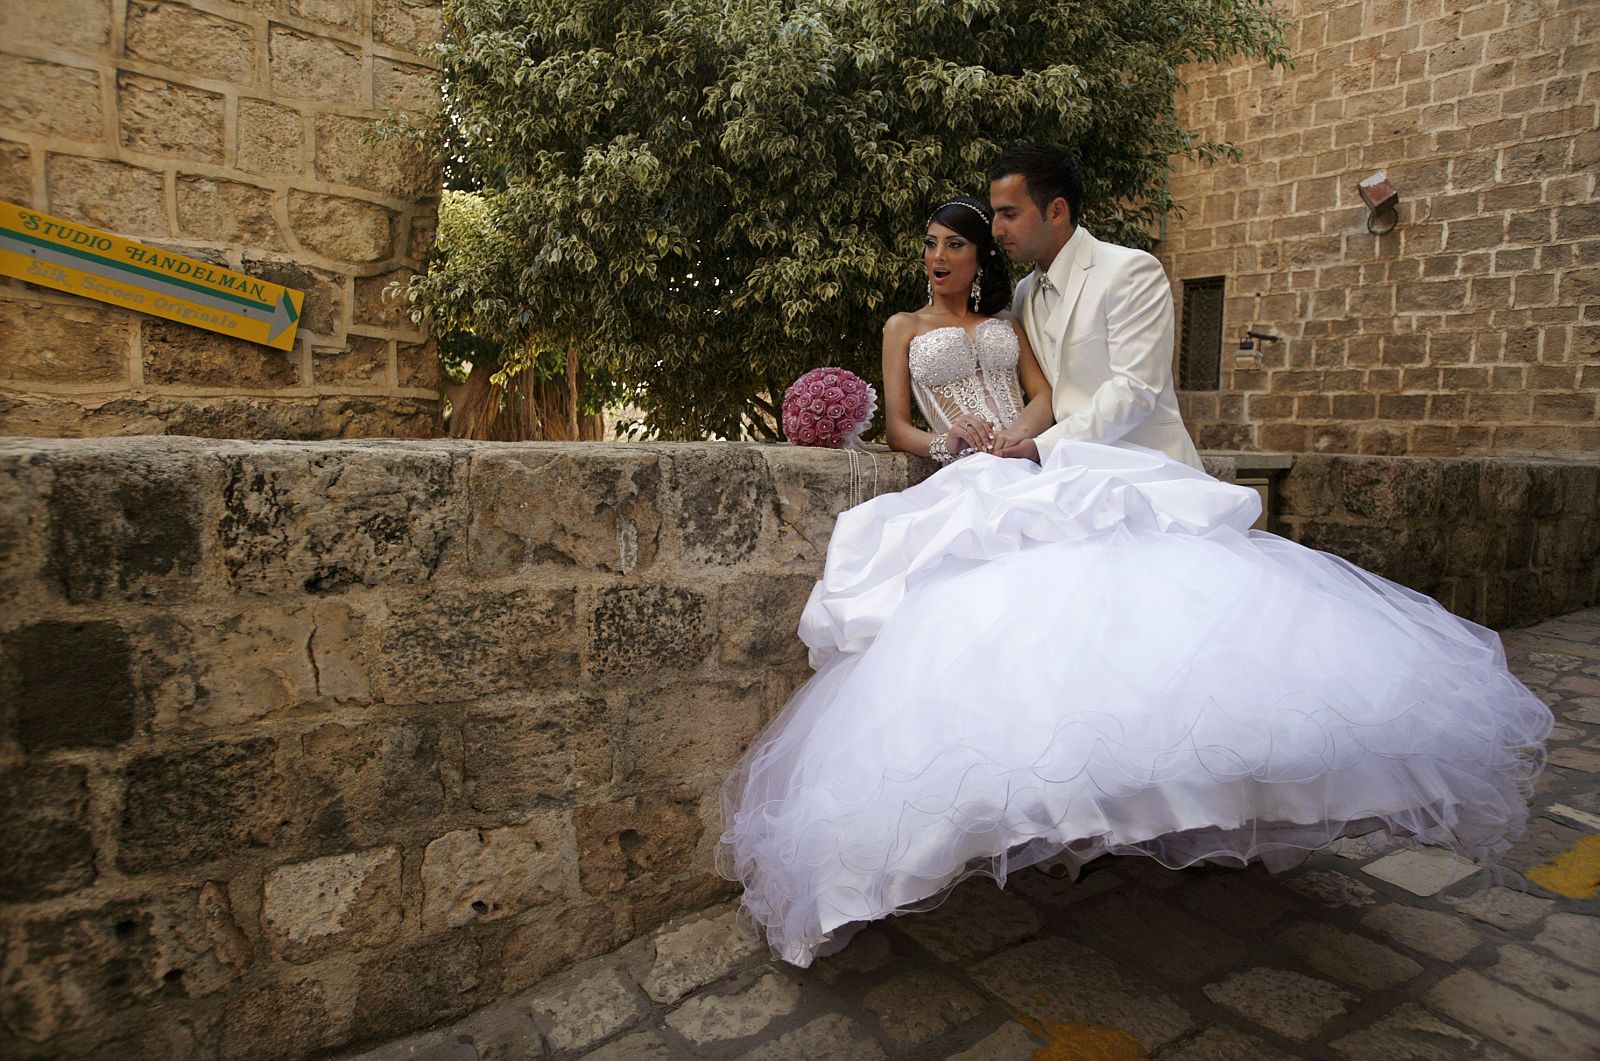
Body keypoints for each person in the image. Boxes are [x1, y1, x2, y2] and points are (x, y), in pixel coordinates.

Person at [716, 193, 1552, 970]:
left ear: (979, 261)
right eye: (931, 245)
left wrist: (1016, 434)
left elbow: (1042, 395)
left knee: (1107, 600)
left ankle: (1121, 787)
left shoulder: (1015, 318)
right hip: (962, 475)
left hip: (1029, 463)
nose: (938, 257)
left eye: (956, 244)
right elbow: (899, 423)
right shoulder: (903, 325)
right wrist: (949, 445)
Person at [989, 142, 1204, 469]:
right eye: (995, 213)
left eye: (1009, 214)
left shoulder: (1130, 271)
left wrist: (1044, 446)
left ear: (1056, 211)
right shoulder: (1023, 293)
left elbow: (1136, 389)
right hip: (1065, 473)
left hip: (1145, 469)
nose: (996, 229)